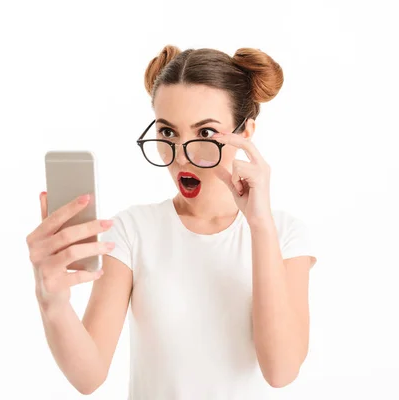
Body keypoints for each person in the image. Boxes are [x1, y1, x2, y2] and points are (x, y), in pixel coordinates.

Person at [26, 45, 318, 399]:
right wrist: (52, 301)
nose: (181, 157)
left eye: (206, 134)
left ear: (246, 132)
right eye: (167, 133)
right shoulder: (133, 231)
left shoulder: (284, 235)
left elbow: (281, 371)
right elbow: (89, 377)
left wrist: (259, 225)